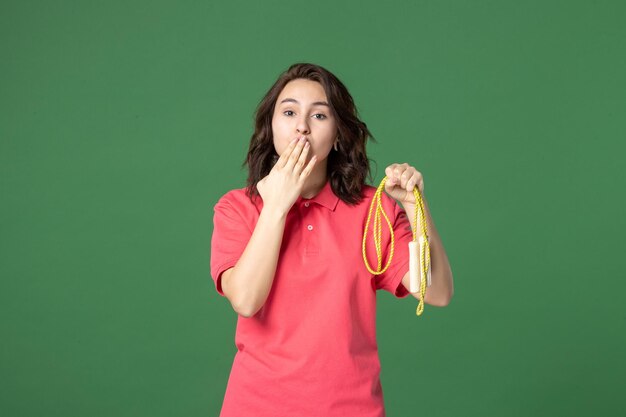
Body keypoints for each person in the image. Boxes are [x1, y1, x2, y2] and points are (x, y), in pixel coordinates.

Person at [210, 62, 454, 417]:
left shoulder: (374, 210)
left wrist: (417, 207)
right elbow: (246, 301)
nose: (301, 127)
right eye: (289, 111)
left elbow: (438, 292)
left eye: (319, 116)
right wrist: (277, 206)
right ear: (271, 127)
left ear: (338, 133)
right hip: (255, 406)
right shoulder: (236, 208)